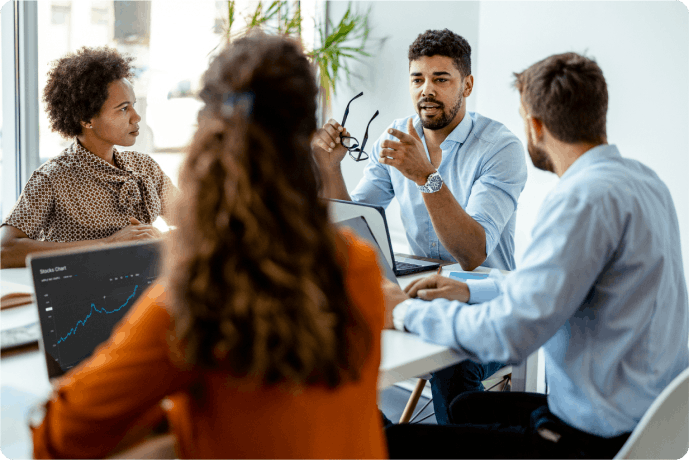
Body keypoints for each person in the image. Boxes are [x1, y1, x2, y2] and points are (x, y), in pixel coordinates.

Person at [30, 34, 388, 459]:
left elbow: (59, 437)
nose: (135, 117)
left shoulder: (196, 297)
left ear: (209, 136)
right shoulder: (358, 263)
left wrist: (164, 417)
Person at [382, 52, 689, 459]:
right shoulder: (644, 182)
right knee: (464, 407)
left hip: (588, 440)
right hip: (644, 418)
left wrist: (403, 312)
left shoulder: (582, 200)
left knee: (389, 440)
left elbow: (508, 336)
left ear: (536, 125)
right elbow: (554, 290)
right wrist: (470, 293)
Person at [313, 28, 527, 424]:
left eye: (441, 79)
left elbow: (472, 252)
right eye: (418, 79)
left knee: (452, 368)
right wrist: (331, 169)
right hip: (419, 294)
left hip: (488, 302)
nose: (426, 89)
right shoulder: (396, 137)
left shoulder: (500, 148)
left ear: (467, 84)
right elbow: (355, 222)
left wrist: (426, 177)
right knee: (336, 341)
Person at [0, 47, 175, 269]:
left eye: (133, 105)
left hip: (144, 290)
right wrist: (106, 244)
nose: (136, 117)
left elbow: (198, 225)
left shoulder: (145, 167)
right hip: (83, 297)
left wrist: (162, 240)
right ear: (86, 119)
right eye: (123, 109)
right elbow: (4, 250)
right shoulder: (53, 178)